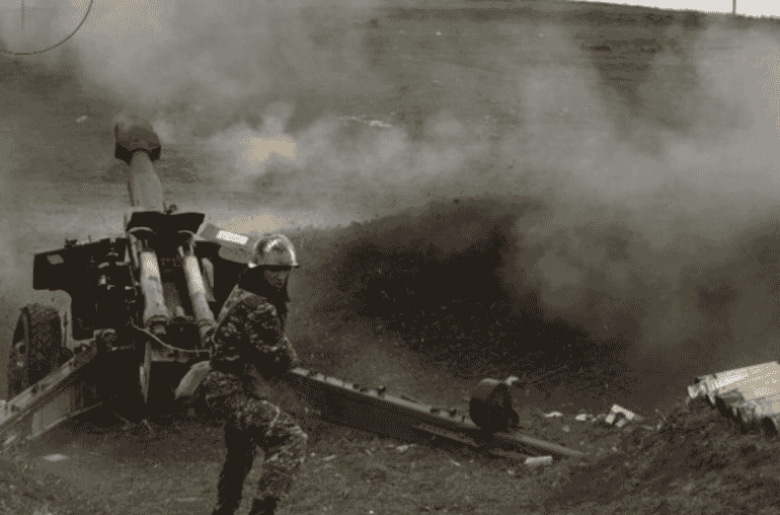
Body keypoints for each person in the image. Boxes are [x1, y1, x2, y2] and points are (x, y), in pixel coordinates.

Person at [194, 233, 308, 515]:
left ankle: (224, 510)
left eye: (285, 270)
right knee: (291, 438)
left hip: (225, 387)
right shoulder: (261, 307)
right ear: (260, 269)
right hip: (233, 391)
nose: (280, 277)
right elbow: (279, 359)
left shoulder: (241, 290)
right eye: (273, 270)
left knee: (241, 451)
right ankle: (263, 510)